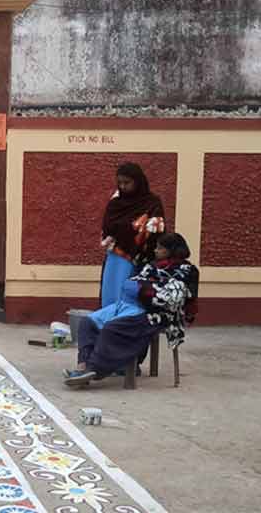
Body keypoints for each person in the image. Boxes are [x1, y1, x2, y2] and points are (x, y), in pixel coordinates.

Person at [64, 233, 199, 387]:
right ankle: (83, 366)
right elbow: (134, 282)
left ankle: (95, 369)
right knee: (88, 323)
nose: (155, 250)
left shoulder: (187, 271)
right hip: (129, 306)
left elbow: (171, 298)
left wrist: (141, 289)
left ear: (171, 250)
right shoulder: (152, 265)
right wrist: (141, 288)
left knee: (112, 328)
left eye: (160, 248)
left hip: (156, 314)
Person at [99, 162, 166, 308]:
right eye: (120, 183)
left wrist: (133, 228)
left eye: (127, 182)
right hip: (116, 257)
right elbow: (108, 227)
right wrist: (135, 226)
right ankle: (109, 325)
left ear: (138, 181)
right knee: (112, 293)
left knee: (131, 295)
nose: (122, 186)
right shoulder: (115, 204)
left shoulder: (152, 202)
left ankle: (128, 327)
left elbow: (157, 228)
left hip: (140, 259)